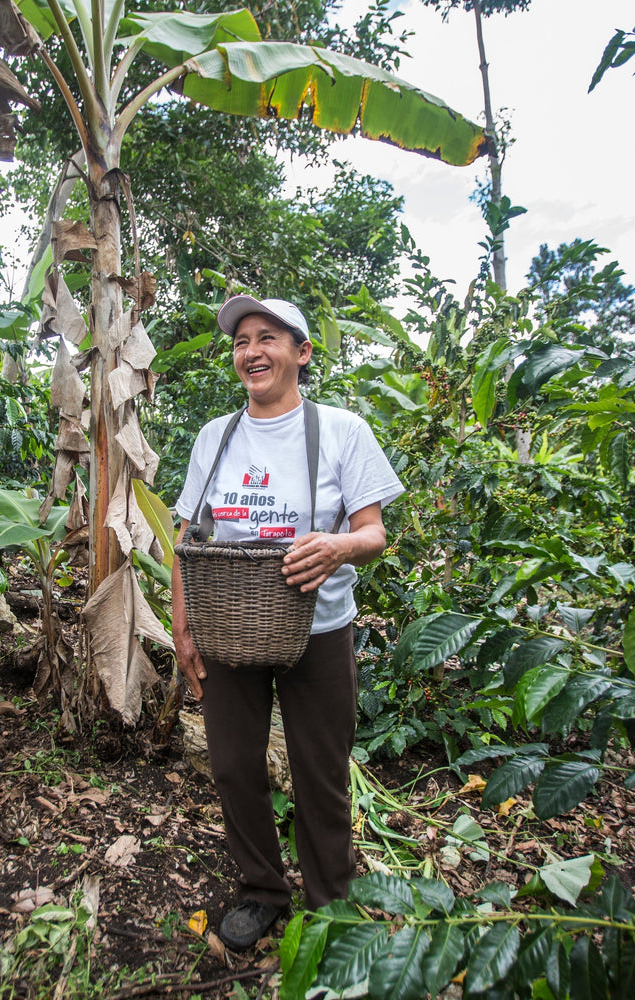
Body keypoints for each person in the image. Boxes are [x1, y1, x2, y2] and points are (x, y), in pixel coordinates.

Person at [170, 295, 404, 950]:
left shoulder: (342, 431)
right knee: (235, 764)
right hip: (228, 627)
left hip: (320, 628)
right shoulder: (215, 437)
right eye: (242, 340)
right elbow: (189, 537)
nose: (251, 351)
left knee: (320, 769)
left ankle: (331, 900)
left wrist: (338, 547)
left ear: (301, 352)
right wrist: (182, 629)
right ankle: (261, 890)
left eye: (267, 337)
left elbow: (374, 532)